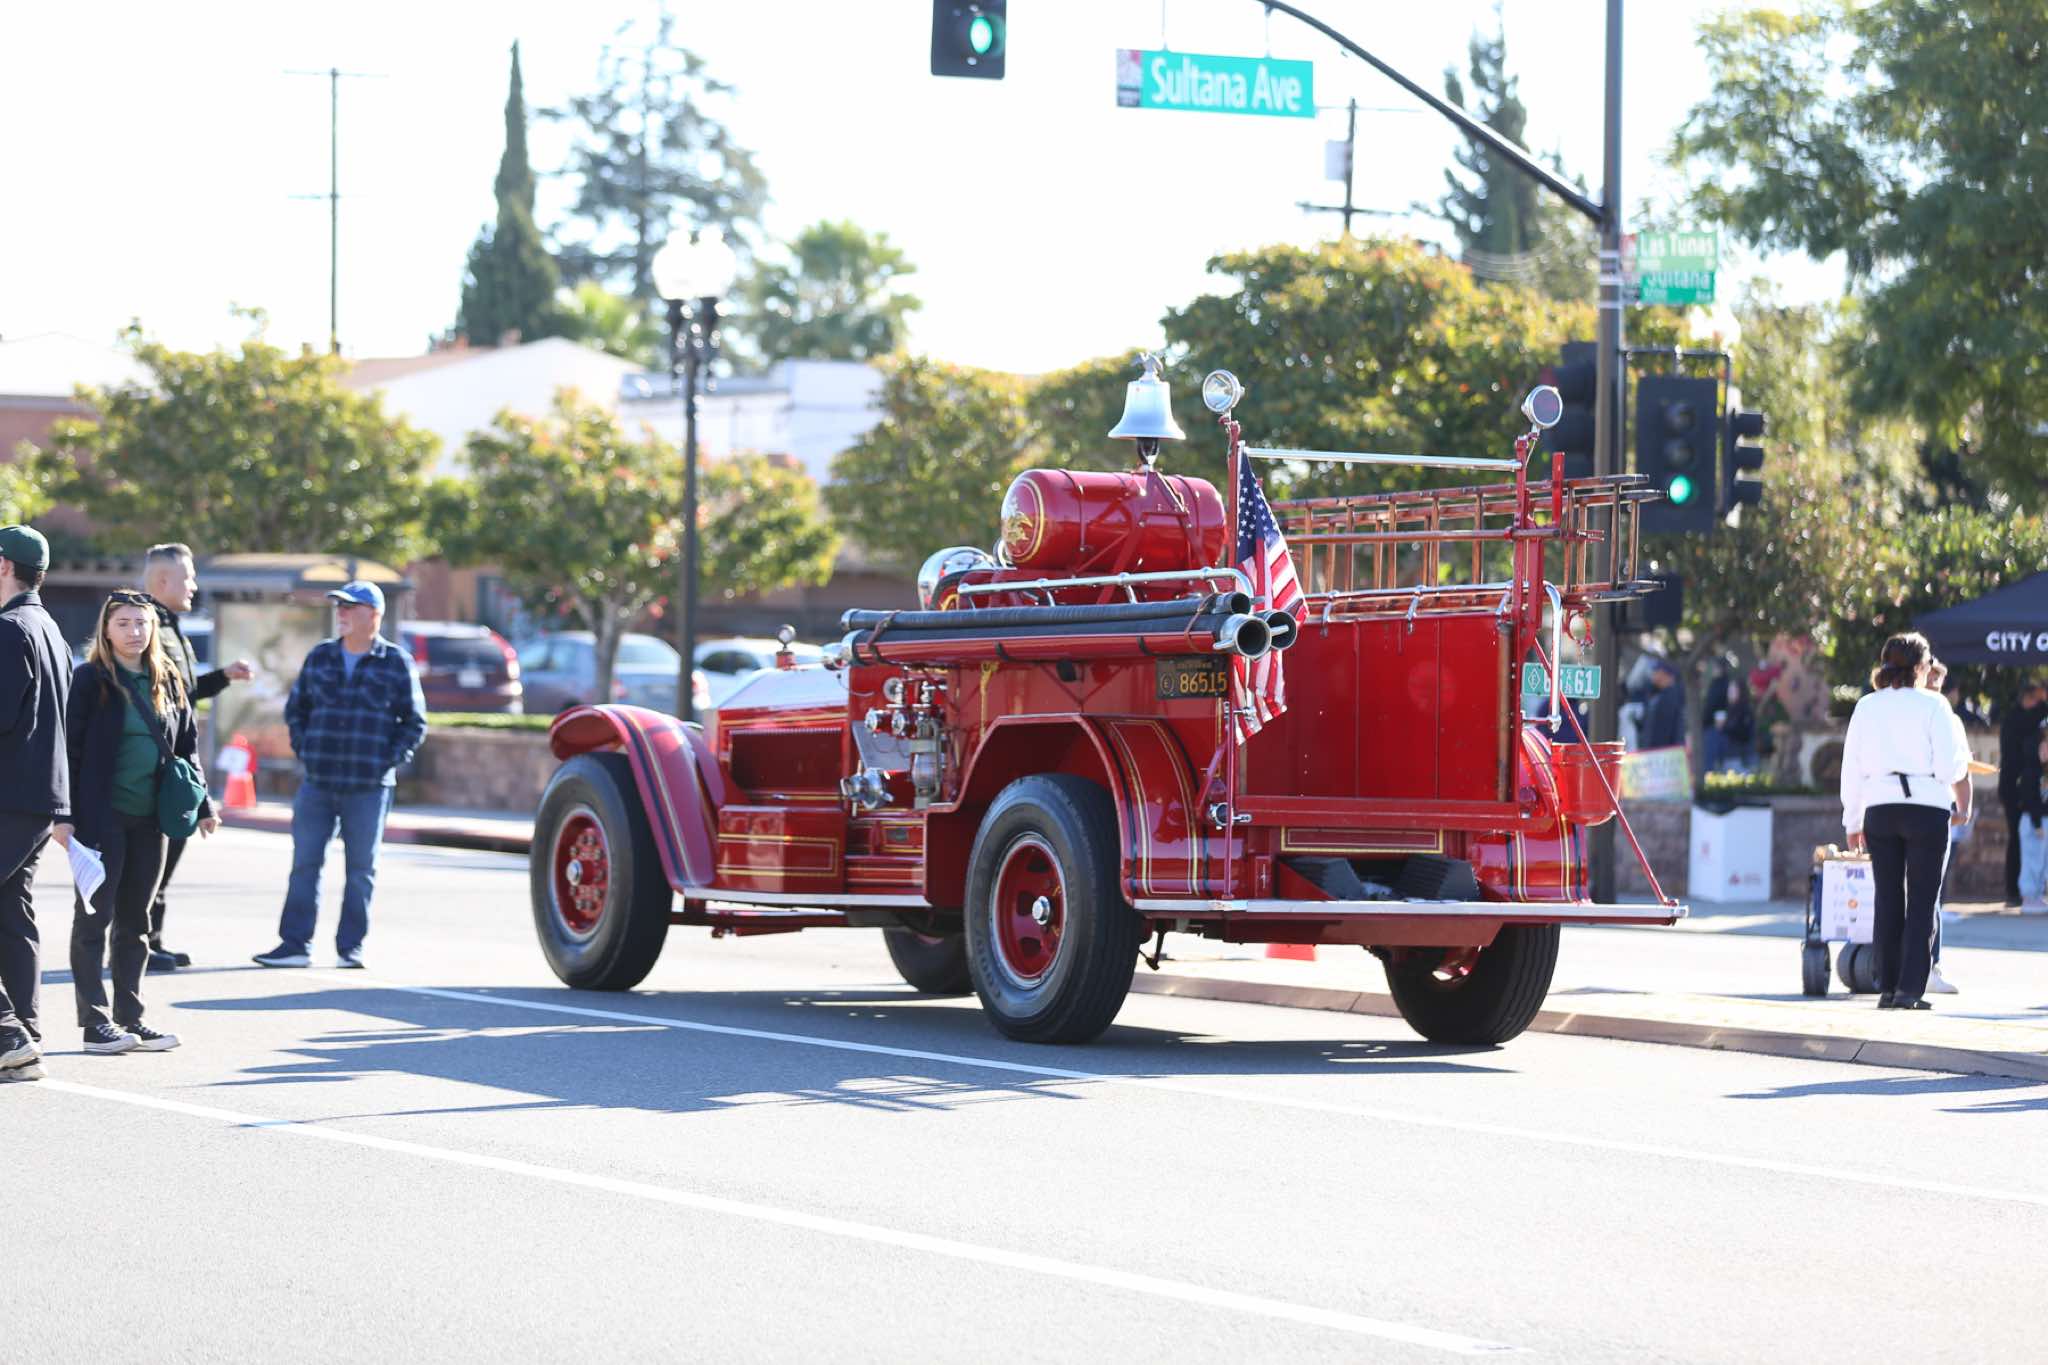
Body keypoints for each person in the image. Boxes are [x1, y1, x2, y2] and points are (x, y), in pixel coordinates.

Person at [56, 591, 217, 1054]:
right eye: (123, 623)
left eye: (141, 623)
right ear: (106, 630)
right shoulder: (90, 679)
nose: (134, 632)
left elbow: (186, 747)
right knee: (94, 919)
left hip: (152, 820)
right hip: (100, 818)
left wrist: (204, 804)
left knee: (136, 922)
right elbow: (69, 750)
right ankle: (95, 1023)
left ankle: (131, 1018)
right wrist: (63, 814)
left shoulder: (168, 678)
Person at [253, 581, 425, 969]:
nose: (341, 614)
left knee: (361, 870)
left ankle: (351, 948)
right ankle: (295, 945)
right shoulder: (321, 656)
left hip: (369, 786)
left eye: (350, 607)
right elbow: (297, 710)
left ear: (374, 615)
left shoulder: (396, 662)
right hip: (318, 781)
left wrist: (386, 761)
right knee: (305, 864)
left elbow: (414, 722)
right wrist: (307, 751)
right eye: (339, 607)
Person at [1840, 632, 1972, 1010]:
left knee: (1887, 898)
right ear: (1919, 667)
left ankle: (1886, 984)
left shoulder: (1867, 706)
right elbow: (1948, 767)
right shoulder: (1934, 705)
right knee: (1922, 901)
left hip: (1880, 806)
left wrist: (1852, 820)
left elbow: (1852, 767)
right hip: (1926, 806)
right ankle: (1910, 989)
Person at [140, 542, 254, 972]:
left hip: (177, 761)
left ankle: (152, 939)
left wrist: (223, 677)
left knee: (167, 854)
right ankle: (137, 942)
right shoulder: (144, 626)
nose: (193, 585)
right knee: (151, 858)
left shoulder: (171, 625)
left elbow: (183, 695)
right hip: (155, 764)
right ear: (163, 580)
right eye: (187, 577)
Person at [0, 524, 70, 1083]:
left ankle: (8, 1032)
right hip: (40, 798)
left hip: (7, 795)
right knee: (11, 913)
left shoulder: (7, 629)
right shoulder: (50, 628)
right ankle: (24, 1038)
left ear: (4, 567)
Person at [1922, 659, 1973, 994]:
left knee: (1930, 893)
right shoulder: (1908, 711)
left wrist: (1963, 807)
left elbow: (1962, 766)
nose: (1934, 685)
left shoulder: (1948, 717)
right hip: (1911, 806)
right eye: (1929, 678)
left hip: (1935, 807)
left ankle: (1930, 965)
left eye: (1938, 680)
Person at [1996, 678, 2047, 907]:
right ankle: (2016, 891)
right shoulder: (2019, 720)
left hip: (2024, 786)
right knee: (2020, 839)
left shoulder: (2026, 717)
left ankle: (2026, 891)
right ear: (2029, 698)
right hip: (2016, 787)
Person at [1700, 673, 1757, 773]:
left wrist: (1724, 728)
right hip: (1728, 754)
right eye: (1729, 690)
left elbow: (1743, 734)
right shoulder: (1730, 709)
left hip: (1739, 756)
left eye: (1733, 690)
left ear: (1741, 691)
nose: (1729, 693)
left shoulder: (1745, 710)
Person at [1640, 658, 1686, 750]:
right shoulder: (1657, 693)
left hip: (1663, 753)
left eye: (1656, 671)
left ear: (1665, 674)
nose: (1653, 673)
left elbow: (1669, 731)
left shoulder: (1673, 696)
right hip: (1654, 751)